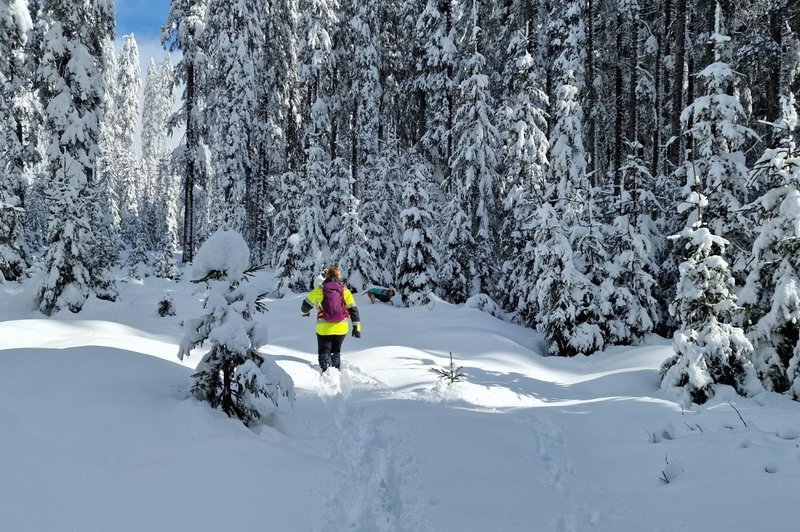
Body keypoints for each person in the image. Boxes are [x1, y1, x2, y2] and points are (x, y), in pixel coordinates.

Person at [301, 266, 362, 372]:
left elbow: (305, 305)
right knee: (336, 350)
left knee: (325, 350)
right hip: (342, 326)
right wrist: (357, 327)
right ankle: (336, 369)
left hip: (324, 327)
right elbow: (353, 309)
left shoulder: (320, 289)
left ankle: (326, 373)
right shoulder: (345, 291)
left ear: (327, 276)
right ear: (339, 276)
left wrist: (304, 313)